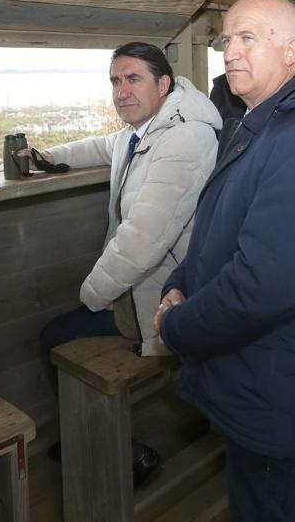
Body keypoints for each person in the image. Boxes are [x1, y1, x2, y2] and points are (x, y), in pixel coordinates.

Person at [154, 0, 295, 522]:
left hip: (279, 382)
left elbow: (265, 287)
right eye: (227, 39)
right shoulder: (262, 122)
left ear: (293, 51)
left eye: (249, 37)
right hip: (258, 374)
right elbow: (221, 228)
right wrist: (181, 282)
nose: (230, 50)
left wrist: (177, 326)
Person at [29, 41, 220, 488]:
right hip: (143, 285)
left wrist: (93, 294)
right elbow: (106, 145)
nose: (121, 91)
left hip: (164, 296)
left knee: (54, 336)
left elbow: (141, 242)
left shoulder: (185, 139)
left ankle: (117, 449)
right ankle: (90, 432)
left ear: (164, 84)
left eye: (133, 79)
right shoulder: (148, 130)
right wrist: (49, 157)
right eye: (115, 81)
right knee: (64, 331)